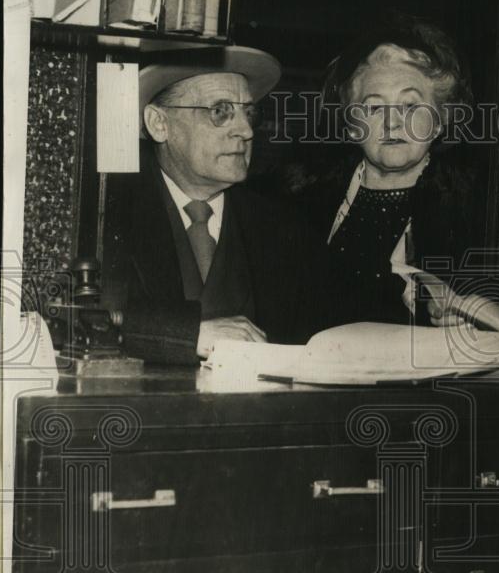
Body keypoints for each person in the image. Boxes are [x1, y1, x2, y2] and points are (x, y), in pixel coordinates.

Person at [101, 46, 333, 364]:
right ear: (159, 123)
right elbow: (71, 317)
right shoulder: (103, 214)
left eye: (249, 112)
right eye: (220, 112)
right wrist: (187, 334)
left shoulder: (284, 229)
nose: (246, 130)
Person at [298, 16, 499, 333]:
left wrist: (494, 315)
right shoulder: (299, 202)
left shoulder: (484, 210)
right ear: (350, 125)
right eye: (374, 107)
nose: (392, 123)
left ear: (441, 119)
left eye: (410, 106)